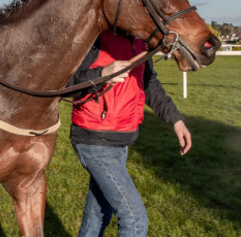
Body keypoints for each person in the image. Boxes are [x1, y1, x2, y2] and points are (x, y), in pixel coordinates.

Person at [68, 30, 192, 237]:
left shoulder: (141, 39)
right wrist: (103, 73)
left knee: (99, 215)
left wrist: (176, 120)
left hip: (120, 142)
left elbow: (148, 82)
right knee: (134, 220)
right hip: (95, 141)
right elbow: (67, 83)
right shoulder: (96, 36)